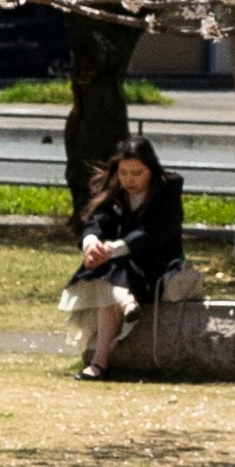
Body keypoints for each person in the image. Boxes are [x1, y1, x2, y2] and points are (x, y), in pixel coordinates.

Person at [66, 136, 192, 379]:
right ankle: (124, 304)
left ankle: (99, 363)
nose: (129, 179)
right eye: (124, 172)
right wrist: (91, 244)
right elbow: (97, 222)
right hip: (119, 266)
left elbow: (155, 234)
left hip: (156, 265)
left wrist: (114, 248)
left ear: (151, 170)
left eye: (137, 173)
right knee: (104, 267)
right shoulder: (115, 193)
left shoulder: (167, 193)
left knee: (107, 272)